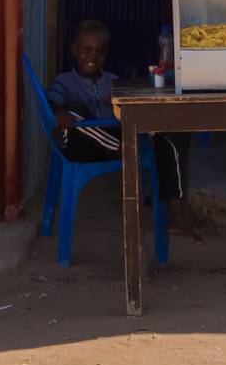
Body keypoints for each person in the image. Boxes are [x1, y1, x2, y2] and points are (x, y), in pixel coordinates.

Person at [47, 20, 200, 240]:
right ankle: (123, 148)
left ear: (107, 54)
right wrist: (60, 111)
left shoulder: (113, 81)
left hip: (117, 138)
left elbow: (127, 110)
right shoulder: (66, 81)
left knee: (173, 131)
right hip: (82, 145)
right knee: (75, 111)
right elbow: (52, 102)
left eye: (100, 52)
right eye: (86, 50)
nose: (93, 56)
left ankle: (177, 215)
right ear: (74, 50)